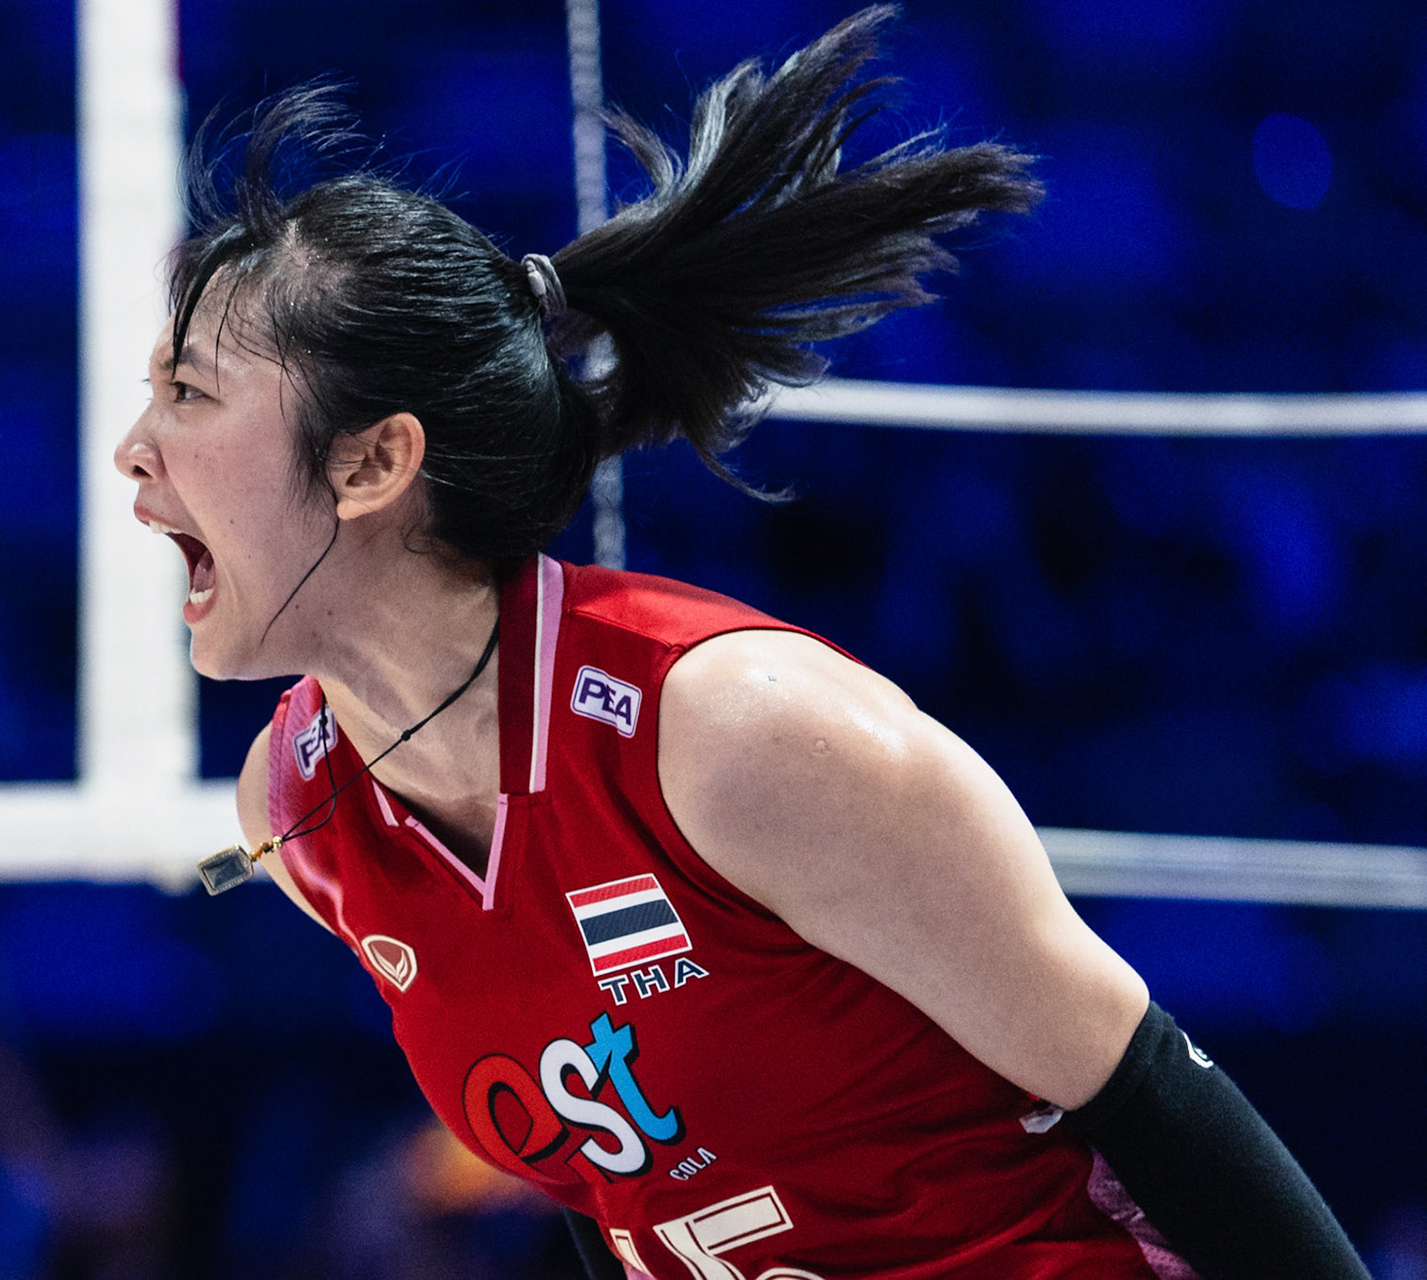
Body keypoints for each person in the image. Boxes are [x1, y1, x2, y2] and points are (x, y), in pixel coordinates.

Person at [113, 8, 1370, 1277]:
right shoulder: (304, 807)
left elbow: (1153, 1090)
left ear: (376, 459)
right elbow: (618, 1189)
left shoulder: (734, 732)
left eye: (188, 393)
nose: (131, 447)